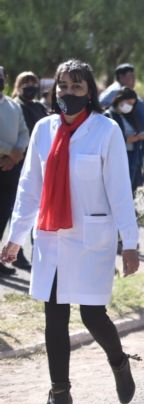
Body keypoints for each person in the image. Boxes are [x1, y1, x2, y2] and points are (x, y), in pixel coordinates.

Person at [0, 59, 141, 404]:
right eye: (63, 86)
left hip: (91, 237)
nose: (68, 93)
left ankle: (119, 362)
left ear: (90, 91)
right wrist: (15, 238)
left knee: (92, 315)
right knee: (54, 316)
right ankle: (60, 395)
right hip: (52, 237)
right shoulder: (43, 129)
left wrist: (130, 242)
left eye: (77, 86)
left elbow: (119, 189)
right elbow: (29, 187)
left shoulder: (106, 130)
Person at [10, 71, 49, 271]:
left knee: (39, 209)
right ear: (18, 85)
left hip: (41, 165)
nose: (30, 86)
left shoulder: (39, 107)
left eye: (34, 82)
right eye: (26, 83)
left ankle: (37, 253)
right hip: (18, 164)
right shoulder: (15, 106)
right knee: (20, 209)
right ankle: (15, 252)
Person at [0, 66, 30, 276]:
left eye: (1, 77)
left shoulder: (12, 106)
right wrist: (10, 151)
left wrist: (15, 155)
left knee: (3, 215)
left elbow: (24, 132)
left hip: (10, 169)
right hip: (8, 160)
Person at [98, 63, 144, 158]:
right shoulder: (114, 91)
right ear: (121, 77)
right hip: (123, 148)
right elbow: (102, 108)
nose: (134, 79)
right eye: (130, 76)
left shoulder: (129, 92)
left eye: (134, 76)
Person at [105, 88, 144, 193]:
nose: (130, 106)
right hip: (117, 159)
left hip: (132, 157)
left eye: (132, 104)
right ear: (120, 99)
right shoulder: (108, 115)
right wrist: (137, 138)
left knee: (130, 189)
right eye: (128, 103)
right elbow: (116, 139)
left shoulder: (129, 115)